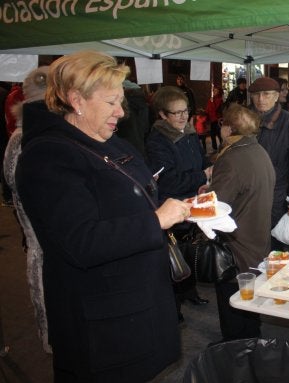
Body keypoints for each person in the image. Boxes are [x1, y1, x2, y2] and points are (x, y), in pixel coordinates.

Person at [15, 51, 192, 381]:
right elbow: (80, 241)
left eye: (121, 102)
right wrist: (156, 220)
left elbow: (132, 196)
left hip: (133, 306)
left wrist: (181, 208)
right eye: (111, 102)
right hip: (103, 326)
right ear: (76, 99)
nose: (121, 113)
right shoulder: (48, 156)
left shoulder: (103, 142)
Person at [206, 103, 275, 341]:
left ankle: (235, 351)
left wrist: (202, 199)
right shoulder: (258, 151)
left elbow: (216, 205)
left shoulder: (232, 158)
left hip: (236, 245)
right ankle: (251, 342)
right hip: (257, 238)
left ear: (227, 129)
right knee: (248, 300)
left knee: (232, 303)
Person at [146, 85, 211, 311]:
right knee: (174, 257)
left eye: (186, 111)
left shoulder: (190, 134)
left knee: (190, 251)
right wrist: (202, 175)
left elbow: (202, 162)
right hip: (172, 207)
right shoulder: (158, 142)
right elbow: (168, 181)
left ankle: (189, 292)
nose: (184, 116)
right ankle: (174, 307)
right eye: (177, 112)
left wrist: (205, 179)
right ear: (162, 115)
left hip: (192, 203)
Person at [3, 66, 52, 354]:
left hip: (44, 236)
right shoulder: (22, 138)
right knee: (43, 282)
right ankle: (50, 338)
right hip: (40, 234)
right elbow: (14, 181)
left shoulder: (23, 136)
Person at [248, 77, 289, 250]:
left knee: (272, 250)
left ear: (277, 96)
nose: (261, 99)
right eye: (256, 94)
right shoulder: (243, 121)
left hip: (275, 200)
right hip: (245, 198)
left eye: (267, 94)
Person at [116, 78, 150, 157]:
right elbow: (145, 127)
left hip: (125, 148)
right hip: (139, 145)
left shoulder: (124, 103)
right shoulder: (141, 100)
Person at [206, 84, 224, 152]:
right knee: (212, 134)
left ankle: (221, 147)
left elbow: (217, 109)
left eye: (216, 91)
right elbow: (208, 108)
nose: (215, 92)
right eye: (214, 90)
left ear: (219, 92)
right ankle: (214, 148)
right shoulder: (211, 99)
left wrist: (212, 102)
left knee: (219, 134)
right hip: (212, 119)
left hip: (217, 119)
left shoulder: (220, 100)